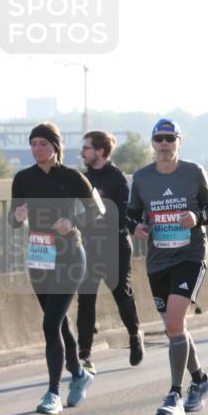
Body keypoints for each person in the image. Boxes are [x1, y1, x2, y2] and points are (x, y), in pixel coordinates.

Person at [10, 122, 104, 415]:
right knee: (59, 323)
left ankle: (52, 392)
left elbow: (97, 210)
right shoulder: (23, 178)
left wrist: (73, 221)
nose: (37, 148)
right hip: (39, 256)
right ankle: (79, 375)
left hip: (70, 256)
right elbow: (13, 220)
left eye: (43, 143)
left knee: (50, 324)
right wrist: (18, 216)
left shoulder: (72, 177)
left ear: (55, 146)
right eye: (33, 144)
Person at [127, 119, 208, 415]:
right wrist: (136, 227)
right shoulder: (142, 178)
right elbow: (131, 214)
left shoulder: (193, 172)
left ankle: (174, 395)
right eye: (159, 139)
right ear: (153, 143)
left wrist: (196, 217)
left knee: (175, 322)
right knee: (174, 328)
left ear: (179, 142)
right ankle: (201, 379)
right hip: (158, 261)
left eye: (170, 138)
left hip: (190, 256)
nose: (164, 144)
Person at [75, 130, 144, 374]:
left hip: (115, 245)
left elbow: (125, 214)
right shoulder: (83, 179)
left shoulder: (117, 179)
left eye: (86, 148)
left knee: (121, 295)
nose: (82, 152)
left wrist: (102, 216)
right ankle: (84, 354)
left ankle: (134, 334)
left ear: (100, 151)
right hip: (90, 246)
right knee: (85, 299)